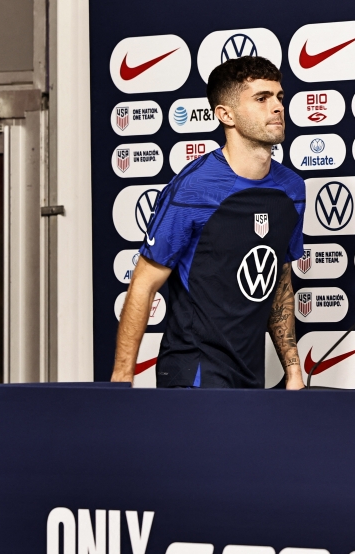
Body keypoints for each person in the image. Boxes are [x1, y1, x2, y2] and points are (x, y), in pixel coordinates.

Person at [111, 56, 305, 389]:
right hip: (194, 371)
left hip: (250, 373)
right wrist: (121, 378)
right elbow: (144, 283)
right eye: (261, 98)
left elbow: (279, 279)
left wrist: (293, 369)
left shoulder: (292, 189)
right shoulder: (193, 188)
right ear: (225, 114)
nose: (276, 107)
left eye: (279, 97)